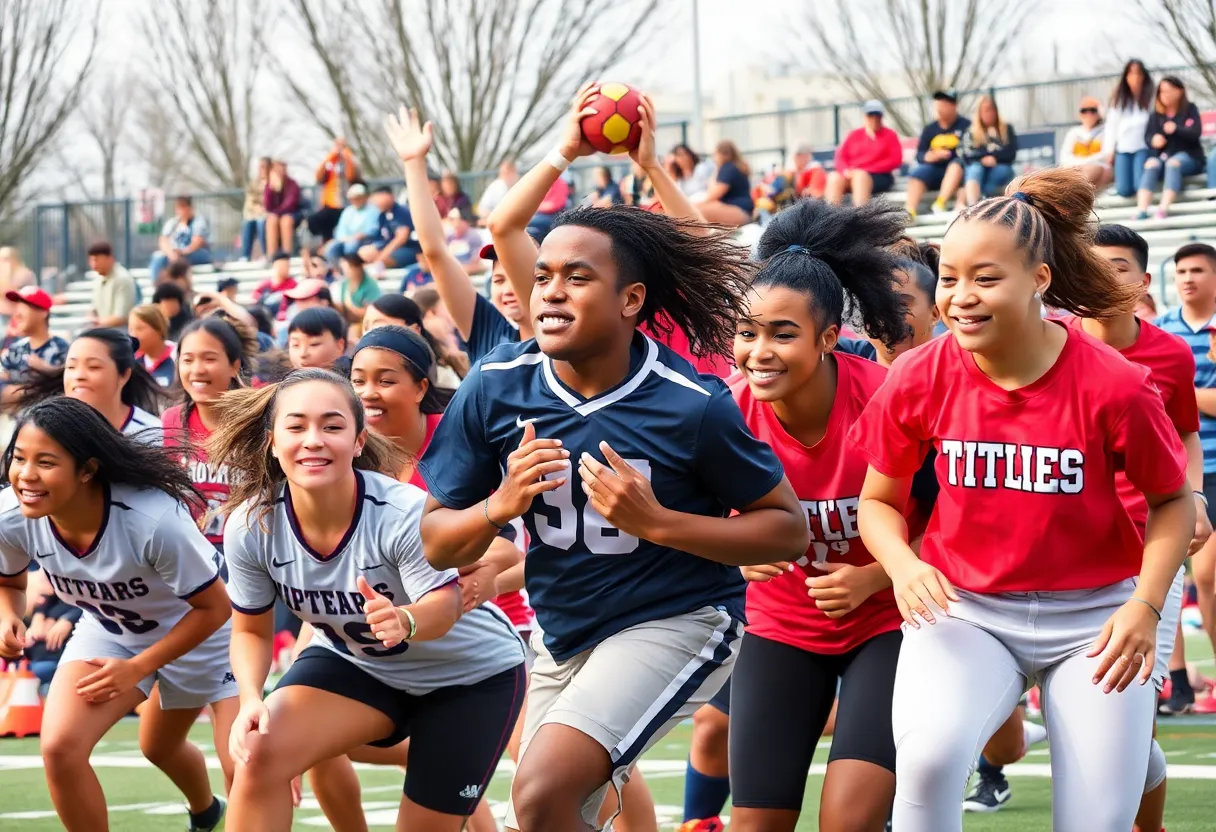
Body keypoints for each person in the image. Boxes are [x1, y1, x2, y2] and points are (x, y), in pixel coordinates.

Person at [409, 89, 810, 829]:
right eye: (544, 277)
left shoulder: (692, 403)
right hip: (564, 630)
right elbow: (436, 540)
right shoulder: (495, 389)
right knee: (557, 810)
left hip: (681, 616)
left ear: (631, 300)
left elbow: (785, 530)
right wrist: (498, 507)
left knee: (543, 792)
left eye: (577, 278)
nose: (551, 292)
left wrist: (658, 523)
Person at [848, 167, 1195, 832]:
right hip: (966, 609)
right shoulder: (918, 375)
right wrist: (903, 564)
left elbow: (1173, 502)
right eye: (949, 278)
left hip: (1097, 616)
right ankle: (1128, 754)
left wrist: (1146, 607)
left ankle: (1133, 759)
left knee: (1095, 820)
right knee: (927, 762)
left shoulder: (1116, 384)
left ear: (1040, 280)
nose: (961, 298)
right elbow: (880, 504)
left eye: (985, 278)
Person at [963, 223, 1211, 828]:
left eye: (1117, 268)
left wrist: (1194, 495)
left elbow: (1182, 435)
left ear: (1141, 282)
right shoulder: (1047, 341)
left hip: (1144, 548)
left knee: (1128, 708)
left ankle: (1132, 802)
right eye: (1091, 267)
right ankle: (995, 769)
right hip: (1059, 545)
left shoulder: (1169, 355)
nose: (1102, 279)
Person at [206, 369, 527, 832]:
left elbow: (445, 607)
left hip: (470, 677)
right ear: (272, 442)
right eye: (296, 427)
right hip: (359, 665)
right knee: (258, 752)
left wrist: (405, 620)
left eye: (332, 426)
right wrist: (252, 697)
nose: (313, 440)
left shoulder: (402, 513)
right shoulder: (250, 524)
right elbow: (251, 629)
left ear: (358, 441)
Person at [724, 199, 911, 832]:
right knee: (754, 824)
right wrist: (737, 552)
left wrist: (878, 576)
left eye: (782, 333)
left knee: (849, 823)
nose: (759, 352)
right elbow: (695, 524)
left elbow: (958, 520)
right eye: (747, 332)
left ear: (829, 338)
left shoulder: (887, 398)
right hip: (780, 628)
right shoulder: (726, 413)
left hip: (888, 625)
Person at [0, 396, 236, 832]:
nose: (26, 475)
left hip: (207, 632)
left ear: (87, 470)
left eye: (46, 462)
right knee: (60, 748)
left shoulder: (151, 519)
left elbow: (216, 607)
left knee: (230, 761)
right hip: (112, 630)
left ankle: (210, 811)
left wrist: (138, 669)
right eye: (18, 458)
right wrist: (8, 615)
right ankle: (207, 813)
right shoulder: (12, 515)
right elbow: (9, 582)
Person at [384, 108, 532, 366]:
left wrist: (563, 155)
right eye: (498, 280)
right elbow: (435, 251)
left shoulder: (571, 338)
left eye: (515, 277)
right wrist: (414, 164)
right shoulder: (488, 328)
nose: (507, 289)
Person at [1155, 241, 1216, 713]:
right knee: (1174, 572)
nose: (1188, 278)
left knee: (1209, 577)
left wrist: (1183, 393)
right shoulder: (1164, 331)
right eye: (1181, 271)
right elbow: (1152, 399)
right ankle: (1173, 680)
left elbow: (1160, 394)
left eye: (1197, 270)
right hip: (1187, 470)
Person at [162, 316, 254, 553]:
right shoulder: (171, 420)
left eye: (209, 358)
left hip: (246, 555)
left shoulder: (255, 421)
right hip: (189, 553)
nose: (197, 370)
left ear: (234, 366)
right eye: (188, 360)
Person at [14, 328, 165, 442]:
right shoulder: (46, 430)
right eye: (71, 367)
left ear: (124, 375)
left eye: (93, 367)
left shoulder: (153, 434)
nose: (79, 376)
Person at [1136, 75, 1203, 220]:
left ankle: (1163, 209)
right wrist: (1154, 140)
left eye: (1167, 91)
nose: (1163, 95)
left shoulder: (1190, 109)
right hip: (1162, 157)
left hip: (1188, 157)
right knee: (1151, 164)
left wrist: (1176, 129)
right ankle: (1142, 210)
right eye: (1161, 91)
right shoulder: (1156, 115)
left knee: (1173, 163)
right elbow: (1148, 137)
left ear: (1179, 91)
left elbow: (1195, 133)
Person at [362, 294, 466, 386]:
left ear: (414, 330)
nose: (369, 333)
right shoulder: (356, 372)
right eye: (366, 327)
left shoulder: (442, 377)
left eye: (379, 326)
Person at [904, 90, 971, 219]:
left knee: (956, 165)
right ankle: (910, 211)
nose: (941, 107)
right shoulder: (930, 128)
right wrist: (928, 156)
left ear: (954, 105)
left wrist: (951, 155)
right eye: (939, 103)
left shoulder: (966, 125)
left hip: (958, 173)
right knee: (917, 173)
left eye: (945, 103)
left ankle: (940, 203)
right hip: (934, 170)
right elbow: (920, 154)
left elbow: (971, 151)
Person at [824, 100, 903, 206]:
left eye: (877, 116)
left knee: (861, 177)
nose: (874, 119)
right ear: (865, 116)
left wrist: (864, 169)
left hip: (879, 176)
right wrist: (846, 171)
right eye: (870, 115)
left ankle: (860, 215)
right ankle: (830, 215)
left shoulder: (890, 135)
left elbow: (895, 160)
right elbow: (841, 156)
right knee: (834, 177)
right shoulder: (854, 135)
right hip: (852, 174)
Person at [0, 287, 69, 399]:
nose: (16, 315)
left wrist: (49, 371)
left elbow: (64, 393)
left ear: (43, 312)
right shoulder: (15, 349)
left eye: (24, 305)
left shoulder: (62, 349)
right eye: (17, 306)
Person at [954, 96, 1019, 208]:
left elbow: (1010, 153)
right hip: (978, 168)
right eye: (985, 110)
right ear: (979, 113)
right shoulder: (971, 131)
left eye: (991, 109)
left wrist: (994, 158)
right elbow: (966, 154)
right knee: (975, 169)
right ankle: (973, 205)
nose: (989, 113)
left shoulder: (1006, 129)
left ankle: (978, 200)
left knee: (1003, 170)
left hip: (999, 167)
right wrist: (982, 159)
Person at [1106, 59, 1154, 199]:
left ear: (1144, 76)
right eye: (1131, 73)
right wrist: (1109, 151)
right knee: (1124, 190)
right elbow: (1111, 126)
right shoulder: (1119, 99)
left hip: (1143, 147)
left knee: (1140, 185)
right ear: (1126, 76)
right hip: (1123, 148)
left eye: (1138, 74)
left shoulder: (1150, 98)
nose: (1135, 78)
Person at [309, 138, 361, 242]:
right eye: (337, 145)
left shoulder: (351, 160)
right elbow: (318, 178)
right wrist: (330, 157)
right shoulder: (329, 161)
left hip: (347, 204)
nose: (339, 148)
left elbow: (352, 177)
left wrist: (346, 157)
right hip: (330, 205)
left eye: (342, 145)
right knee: (316, 221)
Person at [149, 197, 212, 283]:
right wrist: (171, 254)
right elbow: (163, 240)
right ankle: (157, 285)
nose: (181, 211)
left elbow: (197, 242)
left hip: (194, 253)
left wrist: (182, 252)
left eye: (184, 207)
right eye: (179, 207)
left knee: (181, 260)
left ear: (190, 208)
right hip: (174, 254)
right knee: (158, 258)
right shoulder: (172, 223)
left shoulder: (198, 222)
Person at [358, 186, 419, 270]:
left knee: (382, 261)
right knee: (365, 252)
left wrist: (381, 257)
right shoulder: (382, 215)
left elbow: (401, 238)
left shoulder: (401, 211)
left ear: (387, 196)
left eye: (377, 198)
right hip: (388, 246)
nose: (375, 202)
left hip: (409, 248)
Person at [697, 140, 753, 227]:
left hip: (739, 211)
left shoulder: (727, 168)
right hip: (744, 211)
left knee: (694, 211)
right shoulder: (736, 166)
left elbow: (713, 195)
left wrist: (695, 204)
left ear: (720, 154)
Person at [1059, 96, 1112, 187]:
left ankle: (1077, 191)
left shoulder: (1106, 131)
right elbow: (1064, 157)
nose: (1088, 114)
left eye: (1092, 110)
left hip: (1096, 168)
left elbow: (1106, 154)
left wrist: (1086, 162)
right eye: (1084, 111)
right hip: (1075, 167)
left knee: (1094, 169)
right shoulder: (1073, 133)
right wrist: (1080, 163)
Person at [326, 184, 381, 269]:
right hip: (346, 240)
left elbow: (372, 230)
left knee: (351, 246)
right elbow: (341, 230)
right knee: (331, 248)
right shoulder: (348, 211)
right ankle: (338, 271)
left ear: (364, 197)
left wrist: (356, 237)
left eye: (358, 197)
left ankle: (354, 270)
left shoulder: (373, 210)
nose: (355, 201)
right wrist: (345, 238)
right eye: (353, 198)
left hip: (365, 241)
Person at [87, 242, 137, 328]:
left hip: (121, 334)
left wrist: (97, 322)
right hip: (103, 330)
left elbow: (121, 317)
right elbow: (93, 309)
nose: (93, 265)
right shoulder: (98, 279)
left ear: (109, 259)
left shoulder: (122, 279)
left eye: (96, 260)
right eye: (91, 260)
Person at [334, 254, 383, 341]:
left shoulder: (371, 285)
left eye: (349, 268)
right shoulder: (345, 284)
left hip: (363, 322)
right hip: (347, 320)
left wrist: (351, 308)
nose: (346, 271)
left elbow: (370, 312)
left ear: (358, 267)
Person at [128, 305, 177, 389]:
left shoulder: (178, 355)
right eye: (131, 329)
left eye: (140, 329)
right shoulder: (132, 361)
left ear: (159, 329)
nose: (133, 335)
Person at [287, 307, 348, 372]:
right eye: (295, 345)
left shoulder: (353, 380)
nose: (303, 354)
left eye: (314, 344)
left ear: (339, 346)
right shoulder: (282, 381)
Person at [265, 160, 303, 257]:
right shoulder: (270, 185)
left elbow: (290, 204)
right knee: (271, 220)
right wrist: (271, 189)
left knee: (286, 221)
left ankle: (287, 255)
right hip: (277, 214)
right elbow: (268, 206)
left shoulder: (292, 184)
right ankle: (271, 256)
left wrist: (276, 212)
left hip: (293, 213)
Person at [241, 157, 271, 262]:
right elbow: (250, 202)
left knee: (261, 222)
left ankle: (266, 254)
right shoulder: (254, 183)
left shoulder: (273, 182)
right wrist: (256, 209)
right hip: (255, 213)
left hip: (268, 214)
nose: (260, 170)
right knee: (248, 222)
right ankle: (245, 256)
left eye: (263, 167)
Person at [252, 252, 298, 321]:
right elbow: (254, 298)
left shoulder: (293, 285)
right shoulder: (265, 285)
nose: (285, 269)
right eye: (282, 266)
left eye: (287, 266)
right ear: (274, 265)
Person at [445, 207, 484, 276]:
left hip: (470, 275)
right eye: (450, 219)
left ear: (464, 220)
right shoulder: (449, 236)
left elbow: (475, 263)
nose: (452, 223)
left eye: (453, 219)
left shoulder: (474, 236)